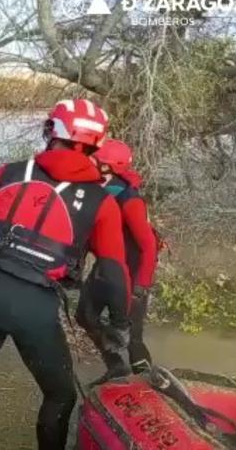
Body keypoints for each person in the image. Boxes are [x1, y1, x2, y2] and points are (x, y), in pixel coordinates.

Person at [0, 99, 131, 450]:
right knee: (60, 395)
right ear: (94, 144)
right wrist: (119, 325)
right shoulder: (102, 201)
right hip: (37, 306)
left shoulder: (7, 171)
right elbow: (113, 273)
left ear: (53, 133)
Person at [93, 139, 158, 374]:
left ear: (108, 167)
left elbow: (149, 245)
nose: (92, 161)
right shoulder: (100, 190)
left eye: (97, 160)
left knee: (133, 337)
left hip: (132, 273)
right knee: (86, 315)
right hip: (108, 266)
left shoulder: (130, 200)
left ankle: (147, 383)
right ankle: (116, 368)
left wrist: (141, 286)